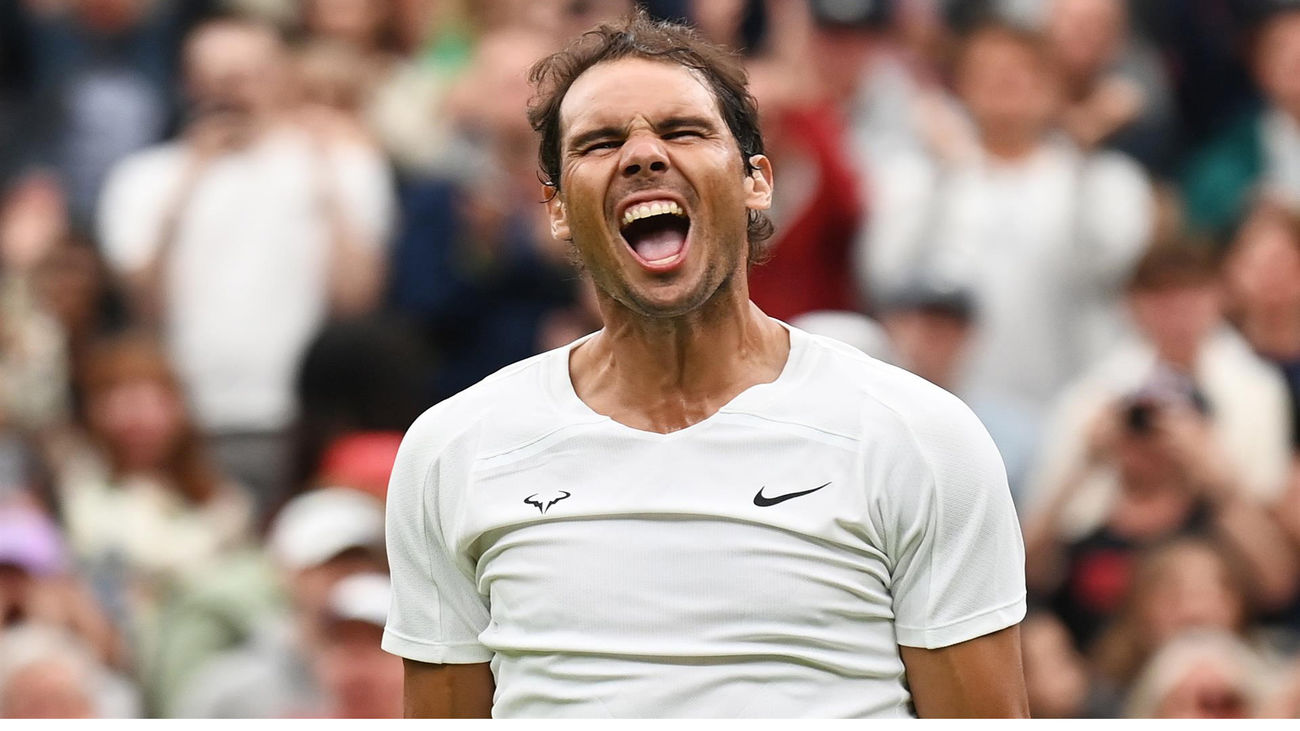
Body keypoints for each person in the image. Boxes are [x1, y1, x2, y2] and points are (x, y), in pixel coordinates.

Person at [383, 12, 1028, 719]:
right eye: (601, 142)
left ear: (757, 182)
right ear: (558, 210)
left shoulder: (920, 437)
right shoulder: (453, 450)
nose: (642, 155)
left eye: (682, 131)